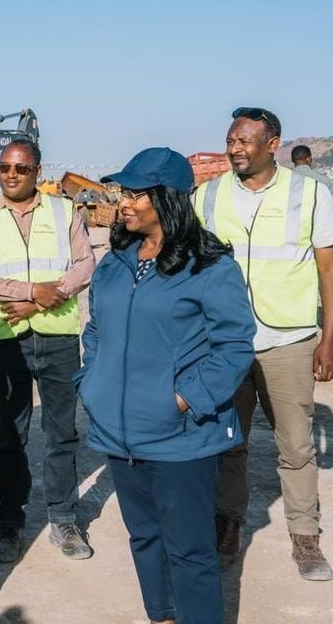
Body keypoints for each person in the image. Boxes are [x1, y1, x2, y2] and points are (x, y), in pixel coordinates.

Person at [76, 147, 255, 624]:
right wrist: (92, 382)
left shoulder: (210, 266)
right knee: (144, 538)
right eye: (124, 192)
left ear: (169, 199)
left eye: (137, 194)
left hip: (180, 438)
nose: (124, 203)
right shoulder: (116, 262)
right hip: (118, 432)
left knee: (190, 551)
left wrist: (183, 398)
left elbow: (235, 345)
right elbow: (96, 329)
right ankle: (162, 616)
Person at [194, 107, 333, 580]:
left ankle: (305, 536)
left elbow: (328, 269)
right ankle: (227, 524)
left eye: (245, 141)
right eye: (230, 140)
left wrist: (329, 339)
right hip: (224, 341)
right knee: (227, 441)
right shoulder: (207, 196)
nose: (234, 148)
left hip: (288, 339)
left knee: (295, 444)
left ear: (273, 145)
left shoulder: (309, 193)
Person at [0, 138, 95, 563]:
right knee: (10, 436)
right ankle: (10, 524)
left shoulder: (64, 211)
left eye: (21, 168)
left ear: (38, 171)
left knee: (61, 433)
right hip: (8, 337)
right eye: (4, 167)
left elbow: (85, 264)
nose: (11, 175)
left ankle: (64, 519)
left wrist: (41, 299)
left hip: (58, 337)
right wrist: (28, 291)